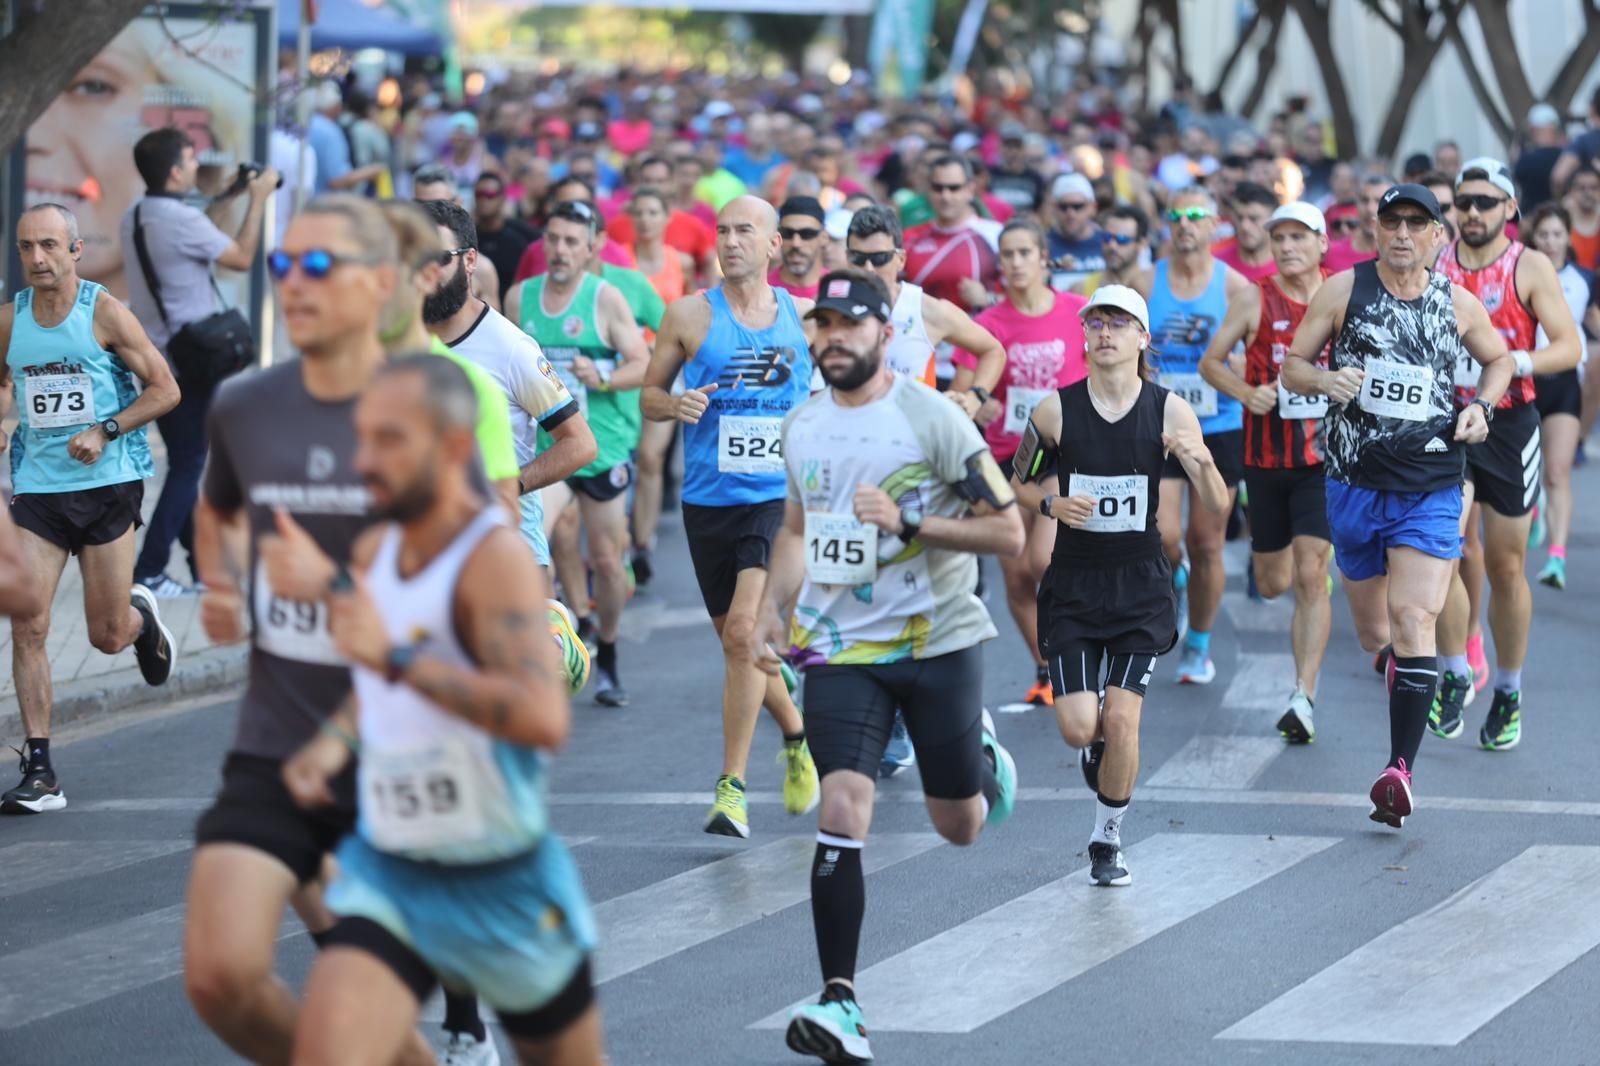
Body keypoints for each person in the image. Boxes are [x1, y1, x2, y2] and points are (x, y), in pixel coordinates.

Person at [282, 356, 604, 1066]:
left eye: (391, 440)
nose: (366, 459)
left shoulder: (493, 563)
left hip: (497, 868)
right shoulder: (374, 553)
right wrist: (328, 747)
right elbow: (375, 686)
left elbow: (541, 720)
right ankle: (465, 1038)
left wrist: (398, 660)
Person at [183, 195, 435, 1065]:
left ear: (376, 285)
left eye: (319, 267)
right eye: (283, 264)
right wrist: (221, 584)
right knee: (219, 978)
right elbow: (214, 514)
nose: (293, 282)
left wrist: (324, 584)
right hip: (278, 741)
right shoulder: (245, 406)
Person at [756, 269, 1022, 1063]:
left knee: (961, 825)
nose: (834, 337)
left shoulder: (931, 419)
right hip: (843, 648)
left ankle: (978, 754)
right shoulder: (802, 425)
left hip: (938, 638)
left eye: (850, 324)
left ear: (884, 332)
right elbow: (797, 529)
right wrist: (774, 607)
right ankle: (841, 1001)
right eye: (823, 324)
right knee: (842, 808)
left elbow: (1007, 532)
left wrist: (911, 521)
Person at [1280, 183, 1512, 828]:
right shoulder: (1343, 291)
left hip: (1434, 483)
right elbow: (1292, 367)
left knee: (1414, 619)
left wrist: (1482, 406)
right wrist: (1324, 379)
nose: (1403, 232)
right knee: (1375, 634)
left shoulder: (1457, 302)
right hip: (1353, 483)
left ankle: (1398, 771)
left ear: (1440, 235)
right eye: (1392, 222)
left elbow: (1500, 361)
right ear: (1375, 231)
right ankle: (1407, 674)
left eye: (1417, 222)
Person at [1010, 284, 1228, 886]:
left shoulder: (1170, 411)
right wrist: (1051, 503)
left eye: (1119, 323)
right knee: (1083, 726)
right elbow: (1016, 483)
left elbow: (1217, 502)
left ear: (1142, 337)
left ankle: (1107, 839)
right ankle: (1095, 746)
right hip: (1075, 583)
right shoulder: (1053, 412)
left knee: (1124, 721)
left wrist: (1201, 461)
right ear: (1085, 336)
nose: (1105, 333)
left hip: (1140, 583)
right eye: (1096, 323)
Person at [642, 195, 820, 839]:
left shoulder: (805, 318)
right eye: (723, 229)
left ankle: (732, 789)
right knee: (737, 642)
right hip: (708, 502)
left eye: (747, 230)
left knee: (746, 632)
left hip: (777, 498)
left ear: (774, 245)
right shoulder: (689, 314)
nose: (732, 240)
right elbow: (649, 396)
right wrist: (676, 404)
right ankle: (798, 735)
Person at [0, 203, 180, 813]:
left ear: (75, 250)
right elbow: (3, 377)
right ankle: (42, 769)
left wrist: (105, 429)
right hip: (38, 487)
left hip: (108, 482)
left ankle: (139, 618)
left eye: (49, 246)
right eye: (26, 247)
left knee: (104, 638)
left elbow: (166, 388)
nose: (37, 259)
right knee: (29, 622)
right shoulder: (9, 320)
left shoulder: (104, 312)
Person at [1431, 159, 1582, 749]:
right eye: (1464, 202)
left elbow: (1568, 346)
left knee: (1505, 566)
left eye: (1485, 203)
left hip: (1510, 424)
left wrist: (1517, 360)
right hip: (1444, 419)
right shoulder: (1432, 260)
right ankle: (1452, 672)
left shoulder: (1530, 265)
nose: (1471, 212)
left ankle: (1510, 689)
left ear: (1509, 211)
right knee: (1439, 548)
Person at [506, 201, 651, 706]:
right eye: (553, 239)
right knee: (537, 543)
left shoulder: (604, 299)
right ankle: (572, 628)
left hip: (602, 447)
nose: (560, 250)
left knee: (609, 560)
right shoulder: (519, 297)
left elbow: (643, 362)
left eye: (572, 241)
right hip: (548, 453)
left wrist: (604, 375)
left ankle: (607, 650)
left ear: (592, 249)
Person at [121, 127, 276, 596]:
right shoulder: (180, 220)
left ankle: (200, 568)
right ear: (174, 170)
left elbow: (199, 232)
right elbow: (241, 257)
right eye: (190, 160)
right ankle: (149, 570)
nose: (195, 166)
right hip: (194, 359)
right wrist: (259, 198)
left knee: (187, 458)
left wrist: (229, 195)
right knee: (189, 463)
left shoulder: (137, 215)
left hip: (159, 357)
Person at [1199, 202, 1333, 740]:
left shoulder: (1341, 296)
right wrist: (1245, 391)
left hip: (1325, 460)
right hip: (1267, 460)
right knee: (1274, 583)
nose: (1287, 246)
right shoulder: (1254, 297)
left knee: (1308, 572)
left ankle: (1303, 697)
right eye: (1279, 237)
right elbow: (1211, 362)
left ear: (1322, 243)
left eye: (1300, 236)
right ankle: (1308, 577)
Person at [419, 199, 597, 596]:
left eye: (435, 257)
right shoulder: (394, 340)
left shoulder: (510, 347)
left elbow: (581, 444)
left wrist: (507, 486)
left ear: (469, 261)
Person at [956, 219, 1089, 710]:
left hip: (1061, 449)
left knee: (1042, 561)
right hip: (1005, 456)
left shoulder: (1078, 313)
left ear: (1044, 258)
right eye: (1006, 255)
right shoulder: (987, 324)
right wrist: (976, 401)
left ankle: (1076, 649)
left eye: (1023, 253)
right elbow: (963, 388)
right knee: (1016, 576)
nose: (1013, 263)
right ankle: (1046, 667)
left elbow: (1111, 370)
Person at [1137, 186, 1253, 682]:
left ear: (1214, 225)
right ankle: (1175, 579)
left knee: (1206, 542)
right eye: (1176, 216)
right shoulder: (1145, 281)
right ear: (1167, 224)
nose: (1185, 224)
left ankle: (1198, 646)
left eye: (1195, 216)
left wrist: (1242, 373)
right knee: (1163, 538)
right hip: (1158, 423)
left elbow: (1256, 354)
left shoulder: (1235, 287)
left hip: (1219, 427)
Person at [844, 205, 1004, 399]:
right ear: (847, 258)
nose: (868, 269)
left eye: (879, 258)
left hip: (913, 428)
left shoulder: (924, 310)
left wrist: (974, 399)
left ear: (901, 259)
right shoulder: (829, 311)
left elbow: (993, 351)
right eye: (857, 258)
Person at [1525, 203, 1600, 588]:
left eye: (1557, 234)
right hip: (1525, 381)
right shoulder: (1519, 274)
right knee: (1527, 471)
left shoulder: (1585, 278)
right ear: (1533, 238)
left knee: (1557, 471)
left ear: (1568, 237)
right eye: (1544, 234)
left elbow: (1595, 323)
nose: (1551, 242)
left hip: (1565, 383)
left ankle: (1557, 557)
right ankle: (1532, 505)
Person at [625, 186, 695, 585]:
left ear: (667, 217)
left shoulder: (678, 261)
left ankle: (643, 542)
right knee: (624, 456)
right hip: (627, 367)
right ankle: (621, 534)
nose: (646, 219)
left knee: (652, 458)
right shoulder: (619, 260)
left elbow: (688, 311)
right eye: (639, 212)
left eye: (653, 212)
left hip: (667, 368)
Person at [902, 154, 1003, 323]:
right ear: (928, 190)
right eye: (938, 188)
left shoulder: (995, 235)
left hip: (977, 342)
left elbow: (1024, 299)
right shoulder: (910, 238)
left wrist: (988, 299)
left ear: (970, 190)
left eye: (954, 188)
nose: (945, 196)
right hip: (924, 343)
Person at [414, 166, 503, 313]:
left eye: (439, 205)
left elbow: (490, 328)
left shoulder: (481, 269)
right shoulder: (399, 261)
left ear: (458, 204)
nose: (429, 215)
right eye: (421, 206)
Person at [472, 172, 539, 304]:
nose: (484, 200)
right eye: (479, 195)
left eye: (490, 195)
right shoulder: (468, 236)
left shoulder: (523, 236)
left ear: (502, 198)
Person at [1072, 205, 1153, 298]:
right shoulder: (1081, 290)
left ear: (1142, 244)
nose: (1112, 246)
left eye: (1122, 239)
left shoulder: (1153, 289)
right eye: (1107, 237)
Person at [1045, 173, 1105, 292]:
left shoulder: (1109, 243)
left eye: (1078, 206)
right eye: (1063, 207)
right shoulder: (1042, 244)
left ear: (1093, 207)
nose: (1071, 214)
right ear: (1053, 208)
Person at [1212, 182, 1280, 282]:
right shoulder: (1214, 264)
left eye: (1254, 219)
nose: (1245, 226)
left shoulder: (1289, 266)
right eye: (1239, 218)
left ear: (1273, 221)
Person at [1323, 174, 1390, 272]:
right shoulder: (1330, 254)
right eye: (1364, 200)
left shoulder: (1401, 258)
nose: (1370, 209)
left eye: (1379, 201)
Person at [770, 196, 828, 300]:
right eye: (787, 233)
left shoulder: (837, 289)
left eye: (806, 234)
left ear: (824, 238)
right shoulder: (764, 290)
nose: (796, 243)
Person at [1515, 104, 1568, 212]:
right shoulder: (1566, 159)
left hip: (1530, 218)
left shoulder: (1525, 160)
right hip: (1560, 218)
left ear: (1533, 129)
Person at [990, 122, 1047, 214]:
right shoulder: (991, 175)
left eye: (1017, 146)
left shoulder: (1035, 178)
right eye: (1008, 145)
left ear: (1024, 148)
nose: (1012, 151)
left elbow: (1040, 210)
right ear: (1000, 147)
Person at [1564, 162, 1600, 271]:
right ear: (1571, 191)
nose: (1588, 193)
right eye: (1581, 188)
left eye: (1594, 188)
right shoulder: (1562, 221)